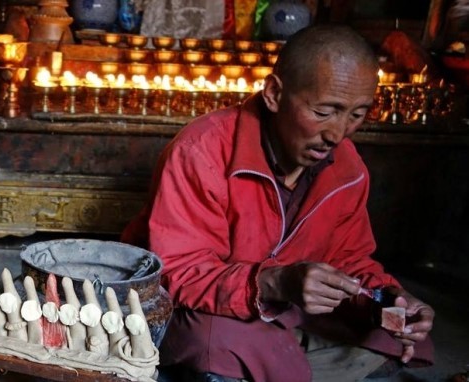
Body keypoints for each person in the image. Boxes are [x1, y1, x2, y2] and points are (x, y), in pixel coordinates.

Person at [121, 25, 435, 381]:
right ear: (273, 94)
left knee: (398, 338)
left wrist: (390, 297)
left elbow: (348, 259)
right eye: (324, 111)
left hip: (288, 310)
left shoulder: (348, 167)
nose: (338, 133)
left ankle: (284, 360)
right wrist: (273, 283)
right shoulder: (203, 151)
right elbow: (177, 271)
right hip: (200, 309)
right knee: (216, 338)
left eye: (357, 114)